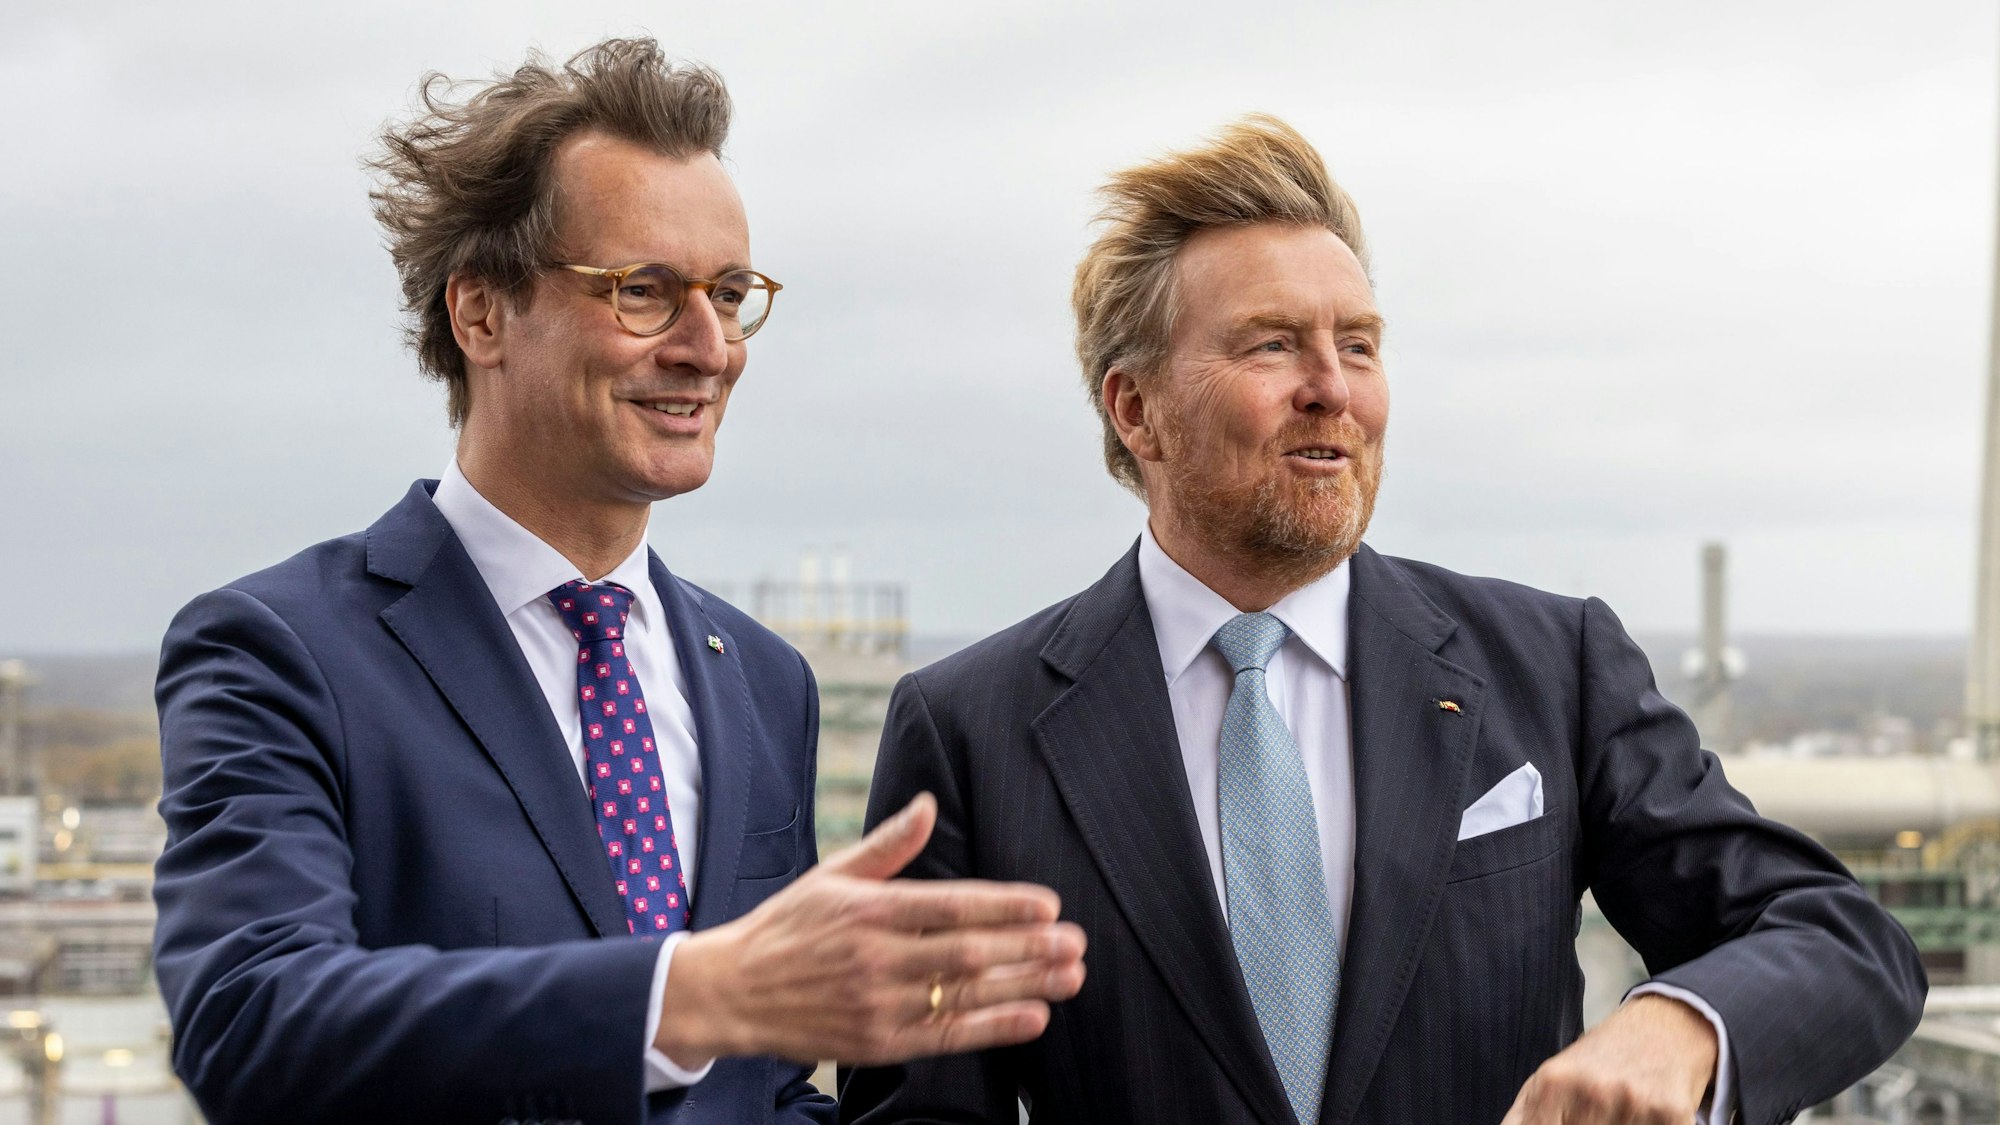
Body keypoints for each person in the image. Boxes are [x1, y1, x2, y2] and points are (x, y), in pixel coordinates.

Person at [840, 115, 1925, 1125]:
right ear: (1136, 409)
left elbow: (1838, 939)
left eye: (1357, 345)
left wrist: (1680, 1026)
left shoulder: (1552, 667)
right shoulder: (972, 729)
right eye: (1272, 345)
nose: (1333, 389)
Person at [150, 39, 1084, 1125]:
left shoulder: (764, 679)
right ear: (480, 314)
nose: (709, 347)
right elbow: (251, 1020)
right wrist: (692, 994)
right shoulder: (280, 649)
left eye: (729, 293)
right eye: (644, 290)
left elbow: (765, 1091)